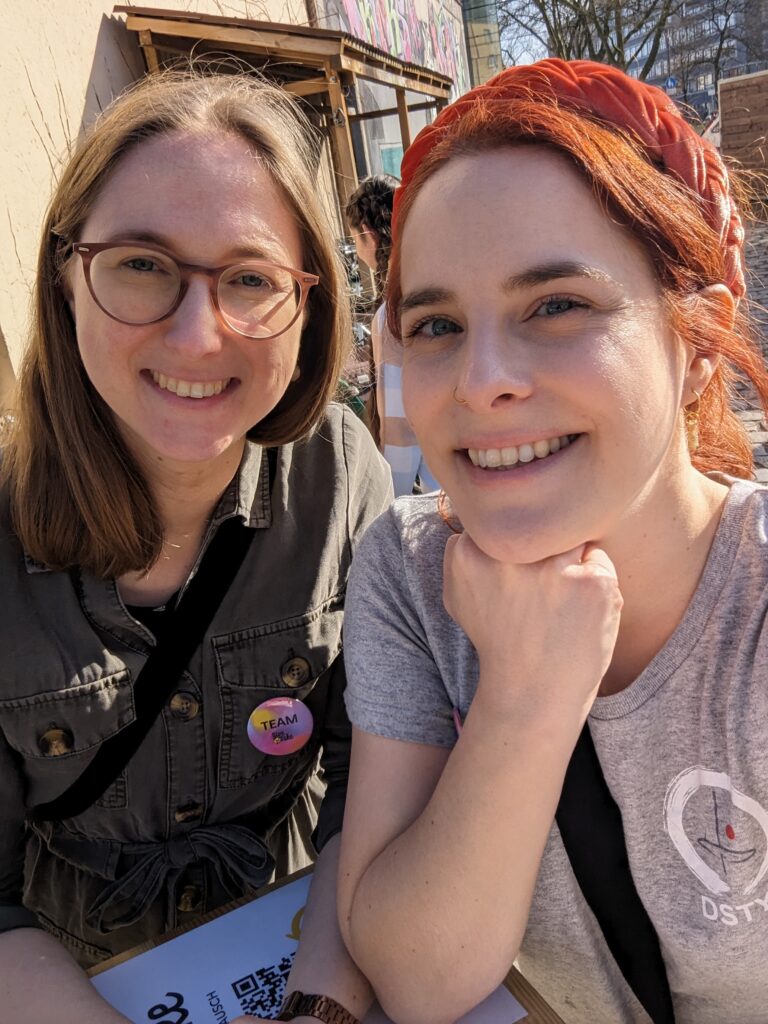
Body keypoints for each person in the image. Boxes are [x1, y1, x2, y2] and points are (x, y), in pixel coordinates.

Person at [338, 58, 768, 1024]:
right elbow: (416, 975)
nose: (482, 379)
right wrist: (526, 698)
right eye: (437, 323)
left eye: (557, 305)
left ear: (699, 341)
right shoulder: (407, 573)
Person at [0, 70, 391, 1024]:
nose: (196, 330)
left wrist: (323, 1003)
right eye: (142, 263)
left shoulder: (342, 474)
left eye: (250, 278)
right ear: (66, 274)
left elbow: (372, 775)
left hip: (302, 933)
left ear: (308, 304)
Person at [346, 175, 439, 496]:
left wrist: (390, 504)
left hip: (436, 494)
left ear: (369, 235)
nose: (358, 251)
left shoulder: (393, 312)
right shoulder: (432, 286)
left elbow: (400, 431)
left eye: (356, 240)